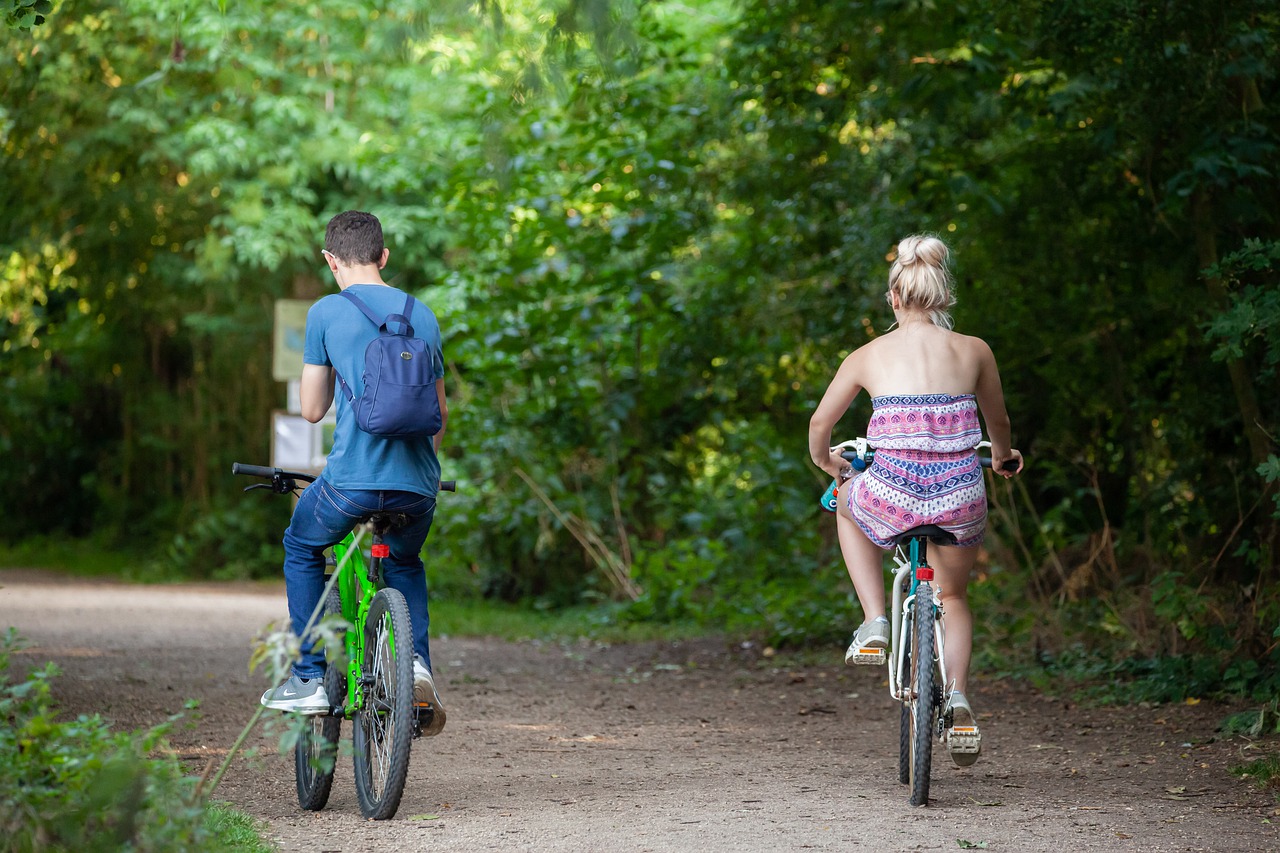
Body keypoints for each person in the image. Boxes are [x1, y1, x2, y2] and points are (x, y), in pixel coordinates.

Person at [807, 233, 1022, 766]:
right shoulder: (975, 351)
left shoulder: (867, 355)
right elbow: (999, 423)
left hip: (892, 492)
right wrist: (1000, 456)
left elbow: (819, 425)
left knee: (846, 499)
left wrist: (829, 463)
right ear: (942, 296)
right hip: (958, 495)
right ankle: (958, 696)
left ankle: (875, 619)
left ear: (894, 298)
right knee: (953, 597)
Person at [260, 210, 449, 736]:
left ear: (330, 260)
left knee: (301, 546)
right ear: (384, 256)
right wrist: (422, 471)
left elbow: (314, 410)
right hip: (418, 488)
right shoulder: (424, 315)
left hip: (351, 484)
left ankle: (309, 677)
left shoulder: (325, 312)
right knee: (406, 561)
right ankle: (416, 669)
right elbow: (440, 415)